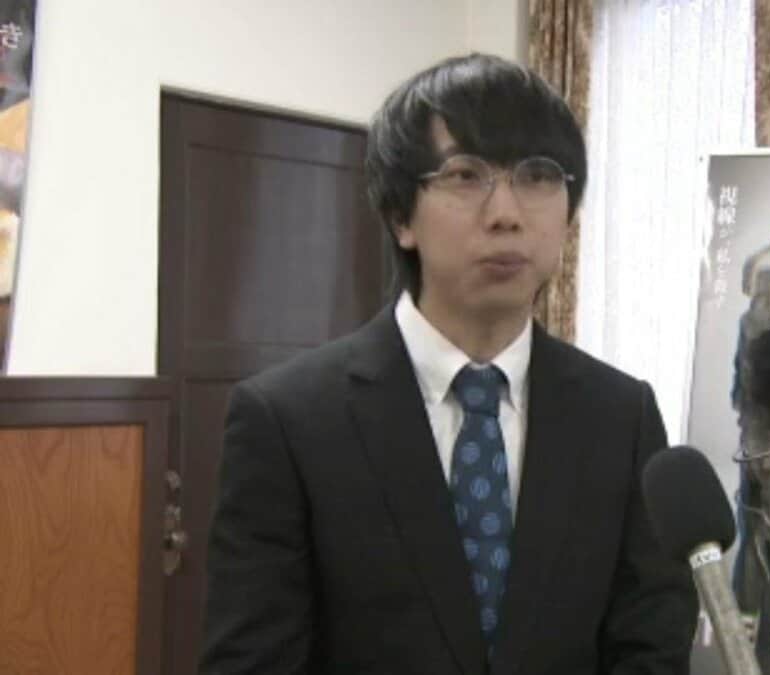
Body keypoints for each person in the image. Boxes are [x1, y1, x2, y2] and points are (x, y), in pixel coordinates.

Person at [201, 53, 698, 674]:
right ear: (399, 216)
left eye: (538, 176)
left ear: (570, 215)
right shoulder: (288, 420)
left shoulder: (621, 417)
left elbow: (650, 649)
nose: (506, 213)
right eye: (466, 175)